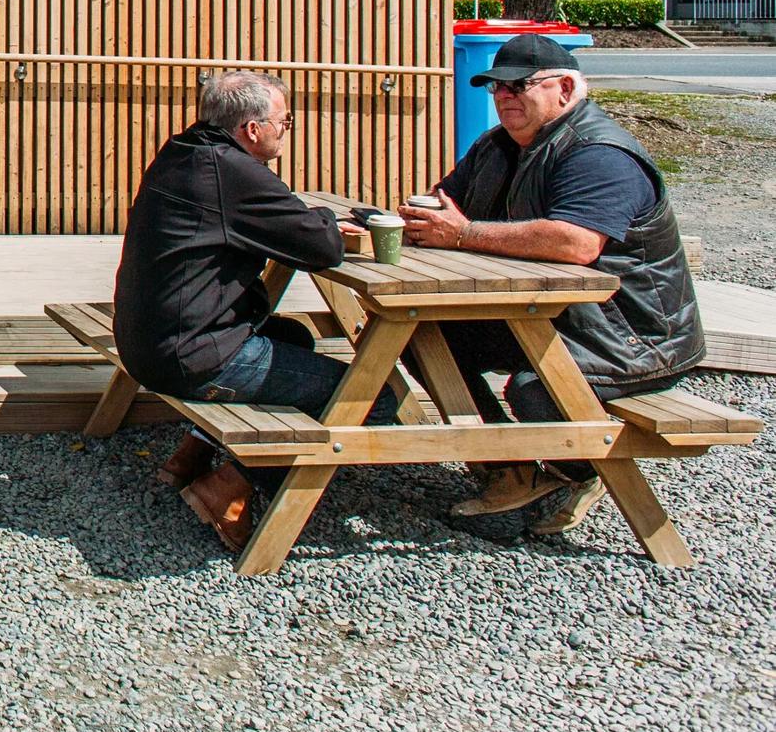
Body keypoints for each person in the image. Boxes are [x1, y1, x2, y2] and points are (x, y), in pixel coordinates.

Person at [399, 33, 704, 536]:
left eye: (519, 85)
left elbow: (576, 243)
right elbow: (447, 203)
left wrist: (465, 234)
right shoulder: (497, 144)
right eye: (494, 87)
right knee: (422, 335)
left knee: (536, 389)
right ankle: (509, 470)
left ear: (565, 88)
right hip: (550, 315)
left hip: (629, 335)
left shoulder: (600, 153)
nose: (504, 97)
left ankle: (575, 471)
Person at [113, 70, 397, 550]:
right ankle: (228, 487)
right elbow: (322, 247)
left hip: (147, 341)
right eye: (285, 122)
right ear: (252, 129)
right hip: (190, 356)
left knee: (294, 339)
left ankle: (189, 457)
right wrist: (328, 218)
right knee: (372, 397)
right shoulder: (235, 174)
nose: (287, 130)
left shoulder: (182, 153)